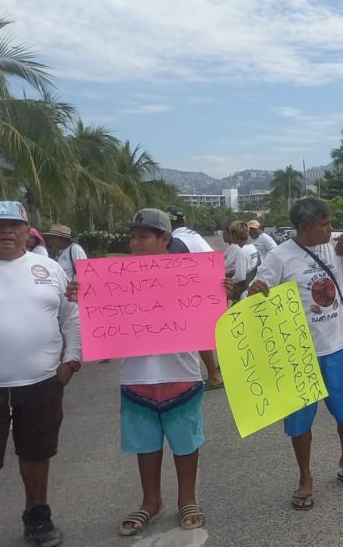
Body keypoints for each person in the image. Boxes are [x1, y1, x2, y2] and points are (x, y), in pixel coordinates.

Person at [67, 209, 230, 536]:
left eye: (144, 236)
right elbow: (102, 319)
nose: (135, 242)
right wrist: (81, 297)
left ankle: (188, 498)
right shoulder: (115, 278)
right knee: (146, 444)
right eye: (133, 236)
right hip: (136, 376)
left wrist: (222, 292)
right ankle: (151, 501)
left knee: (185, 442)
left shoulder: (189, 274)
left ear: (165, 239)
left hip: (180, 373)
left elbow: (213, 322)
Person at [249, 197, 343, 509]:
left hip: (336, 348)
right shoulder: (280, 257)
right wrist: (254, 291)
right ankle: (304, 476)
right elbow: (255, 292)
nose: (331, 229)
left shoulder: (337, 243)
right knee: (300, 423)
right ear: (305, 227)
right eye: (324, 225)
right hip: (298, 355)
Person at [0, 201, 81, 547]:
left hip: (41, 383)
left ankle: (37, 517)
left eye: (14, 225)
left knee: (36, 454)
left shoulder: (49, 269)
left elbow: (70, 315)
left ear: (27, 232)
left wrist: (71, 359)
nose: (6, 232)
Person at [166, 207, 224, 390]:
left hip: (195, 290)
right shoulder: (194, 235)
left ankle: (213, 376)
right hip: (211, 285)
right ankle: (219, 372)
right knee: (207, 333)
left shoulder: (176, 240)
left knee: (195, 334)